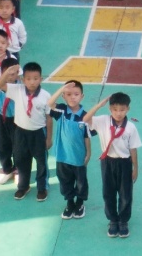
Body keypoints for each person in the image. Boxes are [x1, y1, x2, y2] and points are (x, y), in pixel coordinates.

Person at [84, 92, 142, 238]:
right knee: (108, 192)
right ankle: (112, 220)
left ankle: (123, 220)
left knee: (125, 193)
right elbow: (85, 119)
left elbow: (133, 149)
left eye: (122, 110)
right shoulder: (103, 121)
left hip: (125, 163)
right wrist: (99, 105)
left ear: (128, 109)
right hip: (107, 162)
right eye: (115, 109)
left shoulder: (131, 127)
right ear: (110, 109)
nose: (118, 113)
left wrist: (135, 168)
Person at [0, 62, 52, 201]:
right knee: (21, 160)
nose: (32, 82)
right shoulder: (17, 90)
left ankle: (42, 188)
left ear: (41, 79)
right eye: (28, 78)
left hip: (38, 132)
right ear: (22, 79)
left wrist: (49, 138)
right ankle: (23, 186)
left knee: (41, 162)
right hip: (20, 132)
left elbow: (49, 118)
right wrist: (8, 72)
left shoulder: (45, 96)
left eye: (36, 78)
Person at [47, 81, 92, 220]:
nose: (72, 97)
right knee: (64, 181)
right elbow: (49, 103)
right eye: (68, 94)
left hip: (78, 157)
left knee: (81, 182)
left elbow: (87, 137)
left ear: (82, 96)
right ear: (63, 96)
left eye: (76, 94)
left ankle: (80, 203)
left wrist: (88, 153)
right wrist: (62, 88)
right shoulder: (61, 111)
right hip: (62, 156)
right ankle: (70, 203)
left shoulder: (86, 116)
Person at [0, 57, 20, 185]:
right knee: (1, 145)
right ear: (2, 72)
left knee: (18, 146)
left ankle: (19, 170)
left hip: (17, 120)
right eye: (7, 73)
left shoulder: (20, 87)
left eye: (13, 74)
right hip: (1, 118)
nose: (10, 77)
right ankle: (7, 169)